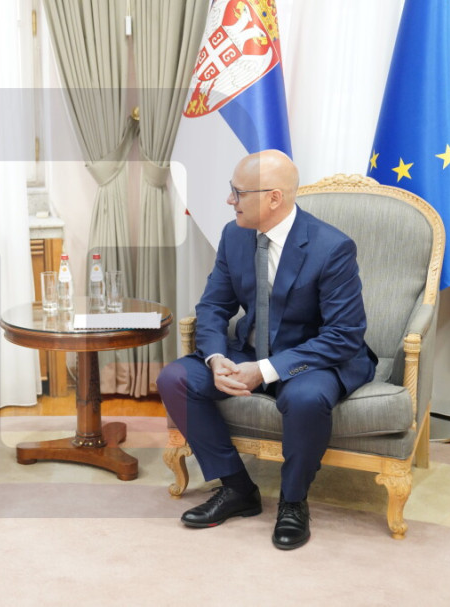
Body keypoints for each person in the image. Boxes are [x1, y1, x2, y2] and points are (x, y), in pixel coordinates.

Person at [157, 149, 376, 550]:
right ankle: (237, 489)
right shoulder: (234, 235)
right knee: (176, 377)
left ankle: (293, 502)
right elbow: (213, 306)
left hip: (313, 358)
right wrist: (216, 357)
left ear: (274, 198)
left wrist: (266, 369)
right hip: (248, 350)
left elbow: (344, 334)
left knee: (306, 398)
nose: (230, 200)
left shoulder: (332, 247)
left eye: (238, 192)